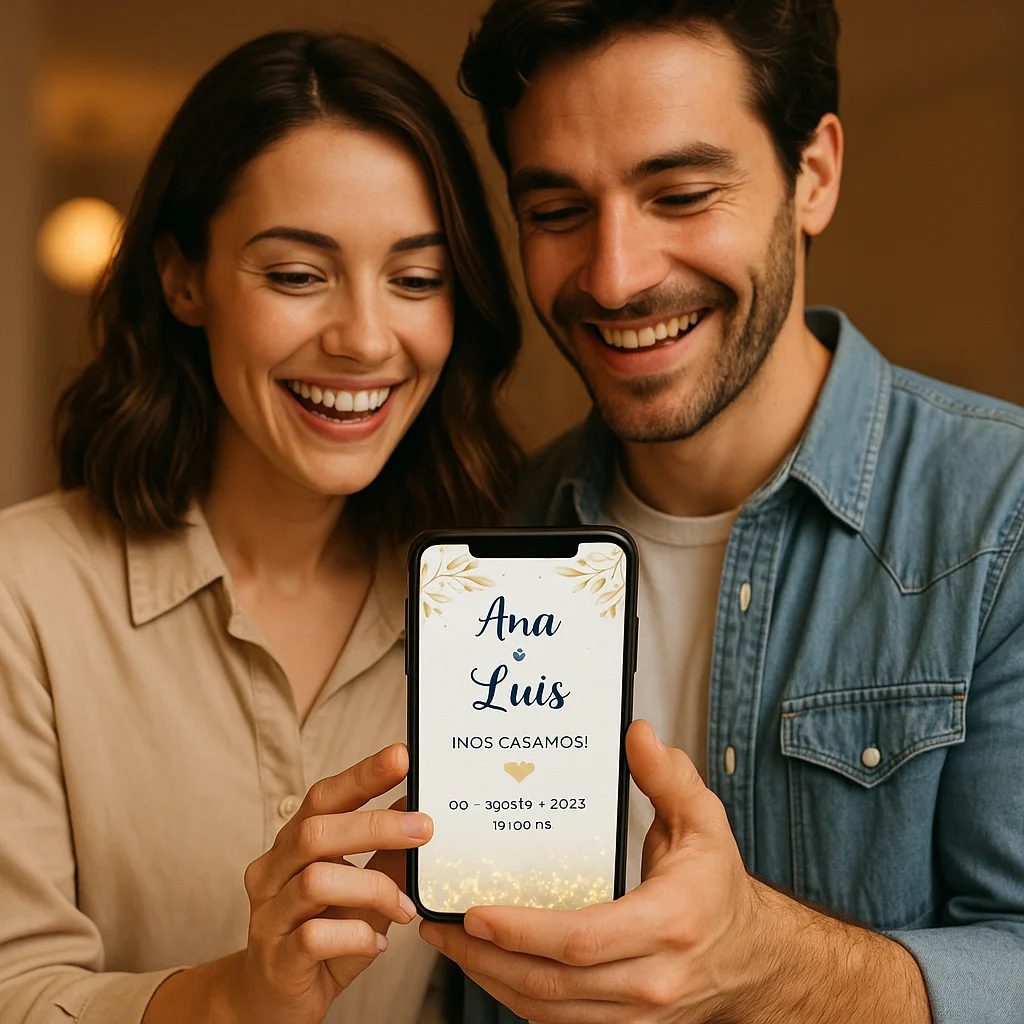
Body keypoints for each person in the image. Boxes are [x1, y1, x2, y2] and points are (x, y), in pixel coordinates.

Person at [419, 2, 1024, 1022]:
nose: (616, 277)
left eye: (682, 194)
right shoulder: (487, 533)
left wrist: (766, 961)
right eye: (557, 211)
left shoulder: (1001, 517)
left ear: (813, 174)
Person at [0, 30, 522, 1024]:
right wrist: (238, 998)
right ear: (182, 277)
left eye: (416, 280)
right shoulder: (21, 596)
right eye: (296, 274)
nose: (364, 339)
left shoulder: (490, 609)